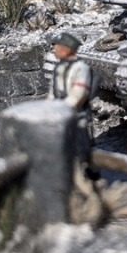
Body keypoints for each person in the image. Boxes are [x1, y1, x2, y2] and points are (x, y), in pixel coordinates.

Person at [48, 31, 97, 159]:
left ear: (66, 48)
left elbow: (79, 94)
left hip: (77, 115)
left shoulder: (81, 68)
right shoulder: (59, 67)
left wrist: (62, 109)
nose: (53, 49)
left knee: (81, 150)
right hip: (62, 112)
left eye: (56, 46)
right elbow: (53, 91)